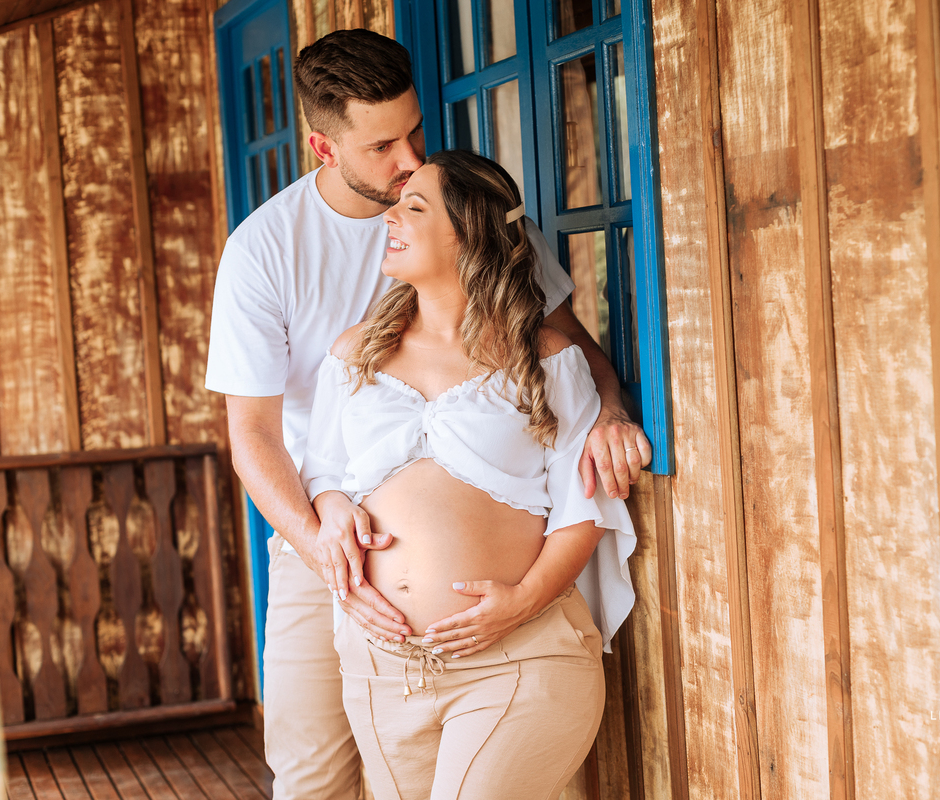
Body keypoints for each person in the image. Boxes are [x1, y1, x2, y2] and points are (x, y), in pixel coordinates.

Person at [204, 29, 650, 800]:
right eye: (383, 146)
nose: (410, 158)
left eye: (414, 132)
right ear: (323, 146)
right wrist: (328, 544)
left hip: (507, 611)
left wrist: (611, 410)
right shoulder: (265, 251)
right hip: (321, 534)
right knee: (311, 779)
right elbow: (253, 437)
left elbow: (568, 354)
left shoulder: (470, 213)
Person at [300, 149, 635, 800]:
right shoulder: (354, 354)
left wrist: (521, 603)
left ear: (469, 233)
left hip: (517, 658)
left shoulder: (546, 359)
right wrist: (333, 506)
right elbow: (323, 473)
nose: (390, 216)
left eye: (414, 206)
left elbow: (582, 510)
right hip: (384, 670)